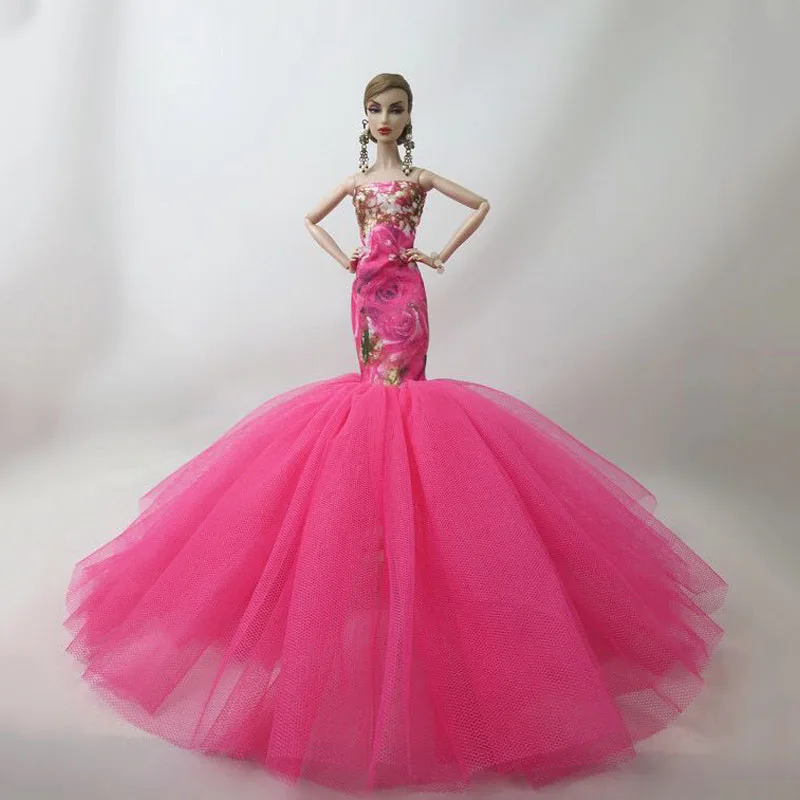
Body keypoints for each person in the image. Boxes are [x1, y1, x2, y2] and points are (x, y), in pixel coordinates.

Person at [65, 72, 726, 792]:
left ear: (410, 117)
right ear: (365, 117)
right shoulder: (356, 184)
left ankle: (415, 549)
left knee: (403, 405)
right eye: (376, 108)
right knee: (371, 406)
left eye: (397, 108)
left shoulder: (419, 180)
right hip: (367, 291)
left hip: (406, 292)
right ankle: (377, 544)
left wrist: (435, 253)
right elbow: (311, 218)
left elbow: (481, 204)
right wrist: (345, 257)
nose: (386, 117)